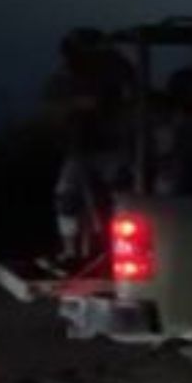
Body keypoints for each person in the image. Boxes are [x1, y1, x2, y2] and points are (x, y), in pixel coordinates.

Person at [42, 27, 135, 274]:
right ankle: (72, 251)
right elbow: (52, 102)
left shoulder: (116, 67)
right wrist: (73, 107)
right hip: (80, 147)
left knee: (122, 199)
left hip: (112, 145)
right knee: (66, 196)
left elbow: (129, 98)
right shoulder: (67, 72)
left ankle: (121, 252)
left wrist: (102, 106)